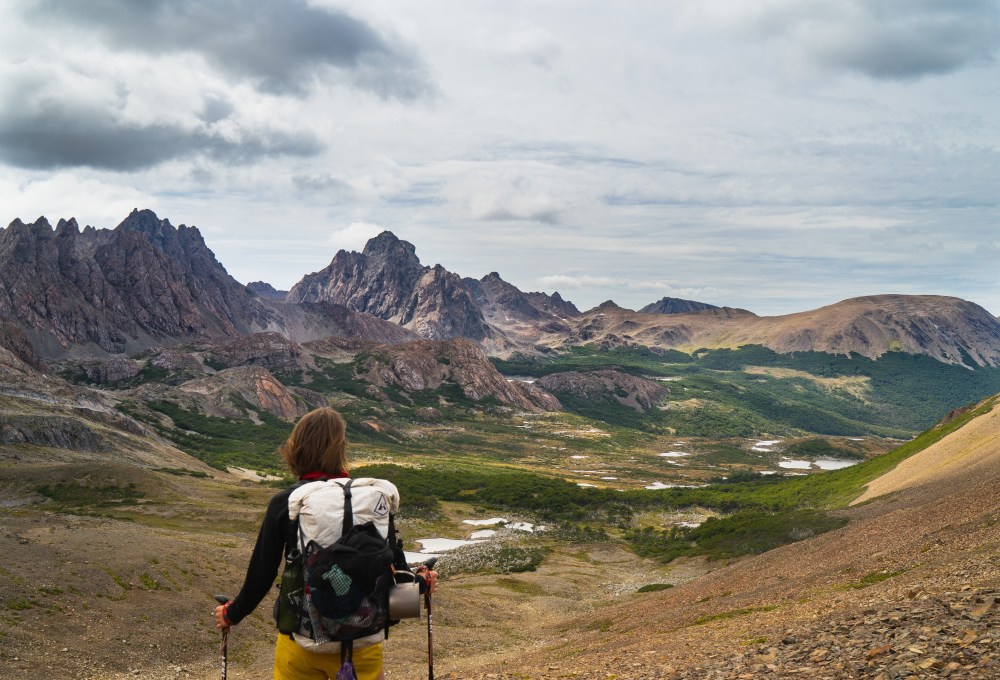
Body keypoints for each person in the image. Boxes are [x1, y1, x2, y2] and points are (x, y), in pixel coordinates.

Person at [213, 407, 438, 680]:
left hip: (301, 646)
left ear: (295, 449)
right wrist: (422, 583)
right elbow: (392, 569)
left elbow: (262, 575)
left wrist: (231, 614)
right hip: (363, 645)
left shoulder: (287, 503)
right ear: (340, 449)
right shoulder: (371, 500)